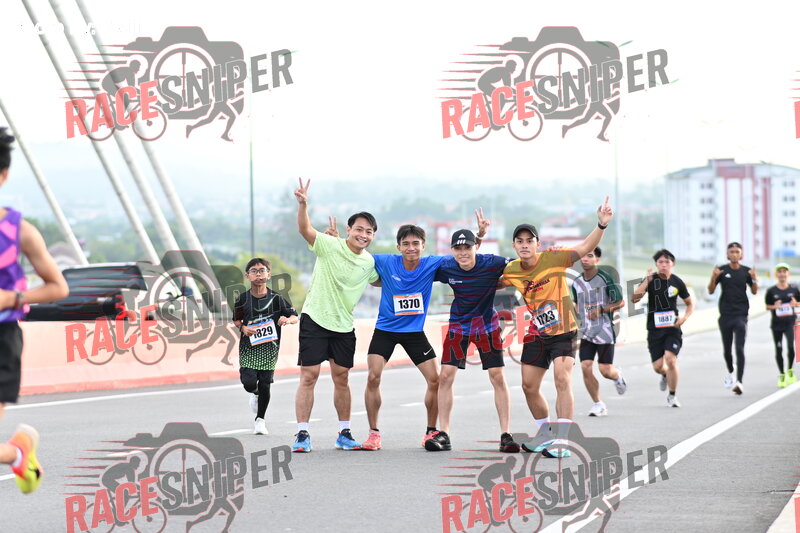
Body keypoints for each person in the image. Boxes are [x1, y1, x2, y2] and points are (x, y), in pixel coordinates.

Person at [502, 197, 613, 458]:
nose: (525, 245)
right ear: (514, 245)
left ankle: (562, 441)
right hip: (537, 333)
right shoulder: (512, 270)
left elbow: (585, 247)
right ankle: (544, 433)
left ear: (537, 244)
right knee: (529, 386)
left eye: (529, 241)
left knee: (562, 379)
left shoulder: (554, 258)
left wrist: (601, 225)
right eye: (520, 241)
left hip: (565, 330)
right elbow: (488, 281)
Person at [0, 127, 69, 493]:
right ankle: (15, 453)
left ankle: (17, 453)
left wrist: (11, 298)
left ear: (3, 175)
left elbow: (58, 286)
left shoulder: (19, 231)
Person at [292, 178, 379, 452]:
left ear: (373, 236)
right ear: (348, 229)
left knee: (342, 377)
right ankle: (302, 434)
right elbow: (305, 230)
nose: (363, 234)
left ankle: (344, 432)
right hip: (315, 318)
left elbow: (379, 282)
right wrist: (303, 204)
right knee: (309, 376)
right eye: (359, 229)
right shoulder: (329, 245)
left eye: (369, 231)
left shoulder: (369, 262)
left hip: (343, 325)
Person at [425, 209, 519, 454]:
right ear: (452, 251)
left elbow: (521, 266)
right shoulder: (447, 266)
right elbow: (417, 271)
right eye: (458, 249)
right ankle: (444, 433)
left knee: (497, 376)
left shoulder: (492, 262)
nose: (463, 253)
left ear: (475, 247)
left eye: (467, 247)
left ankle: (505, 434)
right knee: (446, 376)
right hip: (459, 326)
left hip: (487, 326)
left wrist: (506, 281)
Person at [359, 224, 443, 450]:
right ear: (398, 247)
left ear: (423, 246)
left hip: (414, 333)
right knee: (373, 377)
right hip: (385, 330)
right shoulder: (386, 261)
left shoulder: (432, 263)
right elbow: (357, 253)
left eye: (415, 243)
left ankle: (431, 431)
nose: (411, 248)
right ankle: (373, 434)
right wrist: (338, 241)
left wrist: (480, 237)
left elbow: (465, 257)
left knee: (435, 380)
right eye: (406, 244)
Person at [233, 257, 298, 435]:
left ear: (268, 275)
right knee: (248, 383)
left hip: (270, 349)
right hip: (248, 348)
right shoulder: (242, 299)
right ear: (247, 276)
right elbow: (236, 320)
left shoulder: (277, 298)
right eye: (254, 271)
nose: (258, 274)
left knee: (265, 384)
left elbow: (295, 316)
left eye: (262, 270)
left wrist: (287, 320)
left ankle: (260, 420)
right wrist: (243, 328)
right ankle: (254, 393)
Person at [632, 249, 694, 407]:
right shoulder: (651, 280)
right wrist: (646, 281)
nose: (664, 265)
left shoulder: (677, 282)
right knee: (658, 367)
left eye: (667, 262)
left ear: (673, 264)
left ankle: (672, 396)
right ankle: (665, 375)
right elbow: (634, 299)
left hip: (672, 328)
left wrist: (684, 318)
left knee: (671, 359)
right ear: (656, 264)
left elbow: (689, 303)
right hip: (654, 329)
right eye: (660, 262)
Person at [571, 247, 627, 416]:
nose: (585, 259)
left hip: (605, 331)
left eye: (590, 256)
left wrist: (601, 310)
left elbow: (621, 302)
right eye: (583, 256)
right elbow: (577, 305)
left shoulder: (606, 278)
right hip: (587, 332)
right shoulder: (576, 283)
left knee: (605, 370)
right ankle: (598, 403)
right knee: (585, 366)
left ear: (597, 260)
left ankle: (617, 376)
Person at [707, 242, 758, 395]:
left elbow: (754, 291)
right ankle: (731, 370)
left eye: (737, 252)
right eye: (732, 252)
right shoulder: (722, 270)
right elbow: (710, 291)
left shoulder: (747, 271)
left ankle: (739, 382)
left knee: (739, 348)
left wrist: (754, 279)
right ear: (727, 255)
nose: (734, 254)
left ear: (741, 255)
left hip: (741, 315)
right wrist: (713, 277)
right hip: (725, 315)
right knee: (727, 351)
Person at [764, 263, 799, 388]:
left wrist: (796, 304)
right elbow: (767, 306)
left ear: (788, 274)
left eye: (784, 271)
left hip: (790, 323)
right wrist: (774, 306)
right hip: (776, 325)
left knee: (790, 347)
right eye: (780, 272)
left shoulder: (794, 289)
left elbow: (798, 303)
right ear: (776, 274)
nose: (782, 274)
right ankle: (782, 374)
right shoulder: (771, 291)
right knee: (778, 349)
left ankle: (790, 370)